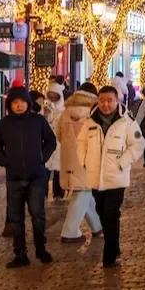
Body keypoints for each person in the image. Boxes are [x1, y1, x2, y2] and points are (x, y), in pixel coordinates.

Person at [0, 85, 57, 268]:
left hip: (36, 175)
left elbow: (51, 141)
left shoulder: (38, 121)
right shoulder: (4, 124)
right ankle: (20, 253)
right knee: (15, 217)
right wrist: (6, 162)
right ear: (9, 105)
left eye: (22, 102)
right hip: (14, 177)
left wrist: (42, 157)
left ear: (27, 103)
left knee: (37, 214)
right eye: (15, 103)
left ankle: (40, 249)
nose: (19, 106)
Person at [78, 86, 144, 268]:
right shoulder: (90, 121)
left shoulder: (126, 122)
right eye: (102, 100)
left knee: (110, 212)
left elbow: (137, 144)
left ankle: (109, 252)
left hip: (116, 176)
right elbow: (81, 143)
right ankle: (114, 246)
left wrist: (124, 162)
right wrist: (85, 161)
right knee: (101, 211)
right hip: (95, 177)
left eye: (109, 101)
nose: (105, 104)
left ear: (117, 101)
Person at [57, 82, 103, 242]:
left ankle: (97, 225)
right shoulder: (92, 111)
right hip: (85, 158)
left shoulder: (65, 112)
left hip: (68, 158)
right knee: (82, 192)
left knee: (84, 191)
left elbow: (59, 135)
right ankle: (69, 231)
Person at [41, 82, 67, 199]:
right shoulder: (45, 107)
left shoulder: (64, 110)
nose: (52, 97)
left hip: (60, 143)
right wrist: (45, 116)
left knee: (59, 169)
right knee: (45, 169)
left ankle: (59, 193)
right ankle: (43, 192)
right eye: (50, 94)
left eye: (54, 94)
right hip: (46, 142)